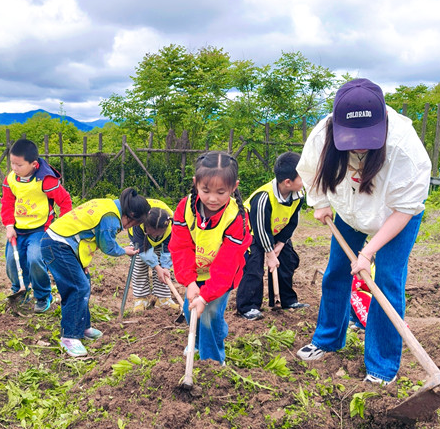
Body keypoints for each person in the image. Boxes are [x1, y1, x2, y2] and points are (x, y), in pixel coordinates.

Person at [295, 78, 431, 386]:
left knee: (387, 283)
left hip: (394, 216)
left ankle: (382, 367)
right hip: (349, 210)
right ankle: (328, 340)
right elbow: (310, 170)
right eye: (350, 136)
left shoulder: (404, 148)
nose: (358, 144)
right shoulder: (322, 134)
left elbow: (405, 209)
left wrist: (368, 253)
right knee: (336, 272)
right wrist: (319, 202)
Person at [40, 188, 150, 357]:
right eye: (134, 224)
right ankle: (69, 336)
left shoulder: (109, 205)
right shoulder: (110, 217)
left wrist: (81, 262)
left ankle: (83, 326)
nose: (131, 227)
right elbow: (107, 245)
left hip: (65, 244)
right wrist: (124, 251)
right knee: (78, 287)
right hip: (57, 244)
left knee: (84, 281)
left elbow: (84, 234)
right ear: (131, 214)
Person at [169, 151, 252, 365]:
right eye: (206, 190)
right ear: (196, 183)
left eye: (221, 192)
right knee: (192, 310)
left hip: (221, 275)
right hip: (194, 271)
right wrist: (189, 282)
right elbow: (181, 247)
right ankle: (196, 343)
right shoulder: (184, 208)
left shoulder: (237, 217)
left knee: (211, 312)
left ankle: (214, 360)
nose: (212, 198)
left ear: (234, 187)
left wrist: (206, 295)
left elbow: (227, 264)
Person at [1, 139, 73, 313]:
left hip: (40, 229)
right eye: (12, 163)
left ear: (33, 164)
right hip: (18, 229)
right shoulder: (11, 179)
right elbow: (7, 202)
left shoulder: (46, 180)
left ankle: (42, 295)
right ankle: (20, 290)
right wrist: (9, 225)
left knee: (35, 260)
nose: (14, 168)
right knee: (12, 261)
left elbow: (65, 201)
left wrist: (60, 229)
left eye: (19, 165)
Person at [235, 152, 308, 320]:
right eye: (302, 177)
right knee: (254, 267)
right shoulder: (264, 197)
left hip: (276, 232)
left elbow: (292, 221)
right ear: (288, 182)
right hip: (251, 233)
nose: (305, 182)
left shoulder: (298, 194)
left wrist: (281, 244)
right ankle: (248, 306)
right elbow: (260, 229)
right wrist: (269, 254)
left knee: (287, 261)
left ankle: (286, 300)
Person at [128, 201, 180, 313]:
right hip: (140, 243)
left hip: (161, 244)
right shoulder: (138, 223)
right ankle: (141, 298)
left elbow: (168, 248)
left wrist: (165, 268)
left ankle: (162, 299)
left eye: (157, 234)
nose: (154, 236)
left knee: (163, 268)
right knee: (139, 266)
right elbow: (143, 250)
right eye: (151, 233)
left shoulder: (171, 225)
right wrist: (156, 267)